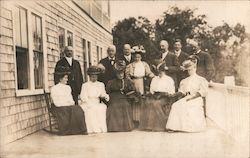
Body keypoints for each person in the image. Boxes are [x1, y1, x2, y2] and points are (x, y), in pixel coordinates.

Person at [166, 55, 208, 132]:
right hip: (187, 97)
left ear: (195, 69)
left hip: (196, 98)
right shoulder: (184, 80)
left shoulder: (201, 79)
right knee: (175, 105)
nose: (190, 71)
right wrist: (174, 94)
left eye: (191, 70)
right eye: (188, 70)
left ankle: (189, 127)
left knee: (188, 105)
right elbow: (182, 91)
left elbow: (202, 92)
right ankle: (175, 127)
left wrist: (192, 98)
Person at [50, 66, 87, 135]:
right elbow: (56, 102)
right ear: (60, 79)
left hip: (67, 106)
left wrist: (70, 103)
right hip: (58, 107)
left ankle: (80, 129)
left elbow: (71, 100)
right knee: (66, 109)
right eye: (65, 78)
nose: (67, 80)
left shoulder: (68, 87)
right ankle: (66, 130)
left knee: (78, 108)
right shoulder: (54, 88)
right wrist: (66, 104)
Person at [139, 62, 175, 131]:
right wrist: (152, 95)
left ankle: (161, 125)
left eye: (161, 72)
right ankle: (149, 126)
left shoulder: (169, 79)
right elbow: (152, 90)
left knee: (156, 104)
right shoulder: (155, 79)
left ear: (164, 71)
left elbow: (171, 92)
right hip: (155, 95)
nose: (160, 73)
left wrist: (164, 95)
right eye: (158, 72)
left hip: (165, 97)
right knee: (148, 103)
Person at [126, 45, 154, 127]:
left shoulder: (144, 64)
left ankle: (142, 119)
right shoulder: (131, 65)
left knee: (142, 99)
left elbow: (148, 73)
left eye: (139, 57)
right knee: (135, 99)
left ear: (141, 57)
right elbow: (127, 75)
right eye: (136, 57)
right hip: (134, 82)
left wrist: (153, 76)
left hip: (142, 82)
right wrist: (131, 81)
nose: (137, 59)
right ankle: (134, 119)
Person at [106, 60, 137, 132]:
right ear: (116, 74)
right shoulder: (111, 82)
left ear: (124, 73)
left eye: (122, 73)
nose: (120, 75)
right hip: (114, 97)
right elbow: (108, 92)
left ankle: (125, 127)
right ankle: (114, 127)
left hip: (124, 97)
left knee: (125, 105)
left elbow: (132, 90)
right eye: (118, 74)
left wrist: (129, 94)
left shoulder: (128, 81)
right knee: (113, 106)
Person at [80, 66, 109, 134]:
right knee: (91, 110)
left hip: (96, 102)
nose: (94, 78)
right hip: (87, 102)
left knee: (102, 108)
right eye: (92, 76)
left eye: (95, 76)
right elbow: (83, 96)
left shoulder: (100, 84)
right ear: (89, 76)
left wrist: (105, 96)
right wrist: (89, 103)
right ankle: (92, 129)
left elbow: (103, 93)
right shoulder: (85, 85)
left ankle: (100, 128)